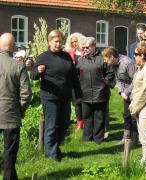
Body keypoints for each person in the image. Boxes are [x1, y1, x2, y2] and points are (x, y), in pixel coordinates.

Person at [31, 29, 82, 162]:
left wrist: (78, 94)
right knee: (52, 125)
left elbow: (74, 77)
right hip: (50, 97)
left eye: (60, 41)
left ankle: (54, 147)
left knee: (64, 124)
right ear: (49, 42)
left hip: (65, 97)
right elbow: (33, 76)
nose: (58, 44)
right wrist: (38, 70)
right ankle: (52, 153)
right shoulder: (43, 57)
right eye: (56, 41)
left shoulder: (66, 56)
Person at [0, 33, 32, 180]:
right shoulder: (18, 66)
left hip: (10, 114)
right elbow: (26, 95)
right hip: (11, 115)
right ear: (13, 47)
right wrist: (20, 111)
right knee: (10, 153)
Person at [77, 37, 114, 144]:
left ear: (94, 46)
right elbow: (76, 75)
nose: (85, 49)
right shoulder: (81, 60)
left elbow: (110, 74)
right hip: (85, 92)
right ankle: (87, 137)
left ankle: (98, 138)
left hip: (100, 93)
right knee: (87, 116)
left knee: (99, 117)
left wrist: (104, 84)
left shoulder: (102, 58)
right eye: (83, 47)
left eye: (87, 47)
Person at [129, 42, 146, 175]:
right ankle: (145, 161)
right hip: (141, 107)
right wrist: (133, 104)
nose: (134, 56)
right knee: (142, 138)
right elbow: (137, 89)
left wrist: (135, 107)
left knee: (145, 139)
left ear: (142, 55)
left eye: (136, 54)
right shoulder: (142, 67)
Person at [101, 46, 137, 145]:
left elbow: (136, 80)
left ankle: (135, 140)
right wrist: (121, 91)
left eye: (105, 59)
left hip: (134, 93)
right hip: (125, 93)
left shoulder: (127, 63)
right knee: (126, 115)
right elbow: (118, 79)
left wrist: (127, 92)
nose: (105, 61)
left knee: (133, 116)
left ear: (111, 57)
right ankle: (126, 138)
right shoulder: (113, 64)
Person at [65, 32, 86, 131]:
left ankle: (87, 122)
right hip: (74, 82)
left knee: (85, 102)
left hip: (85, 81)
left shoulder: (85, 52)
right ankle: (79, 123)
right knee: (77, 102)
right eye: (72, 42)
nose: (74, 44)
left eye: (76, 41)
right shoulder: (70, 53)